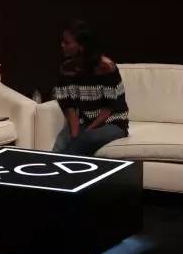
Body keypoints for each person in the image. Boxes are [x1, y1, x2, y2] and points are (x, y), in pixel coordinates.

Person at [52, 20, 129, 156]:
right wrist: (75, 134)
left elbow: (108, 109)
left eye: (67, 42)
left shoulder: (106, 68)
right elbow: (69, 107)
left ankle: (67, 169)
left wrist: (85, 133)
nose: (62, 45)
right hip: (84, 122)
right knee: (61, 142)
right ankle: (48, 169)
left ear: (81, 46)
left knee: (84, 140)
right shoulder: (66, 69)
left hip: (113, 123)